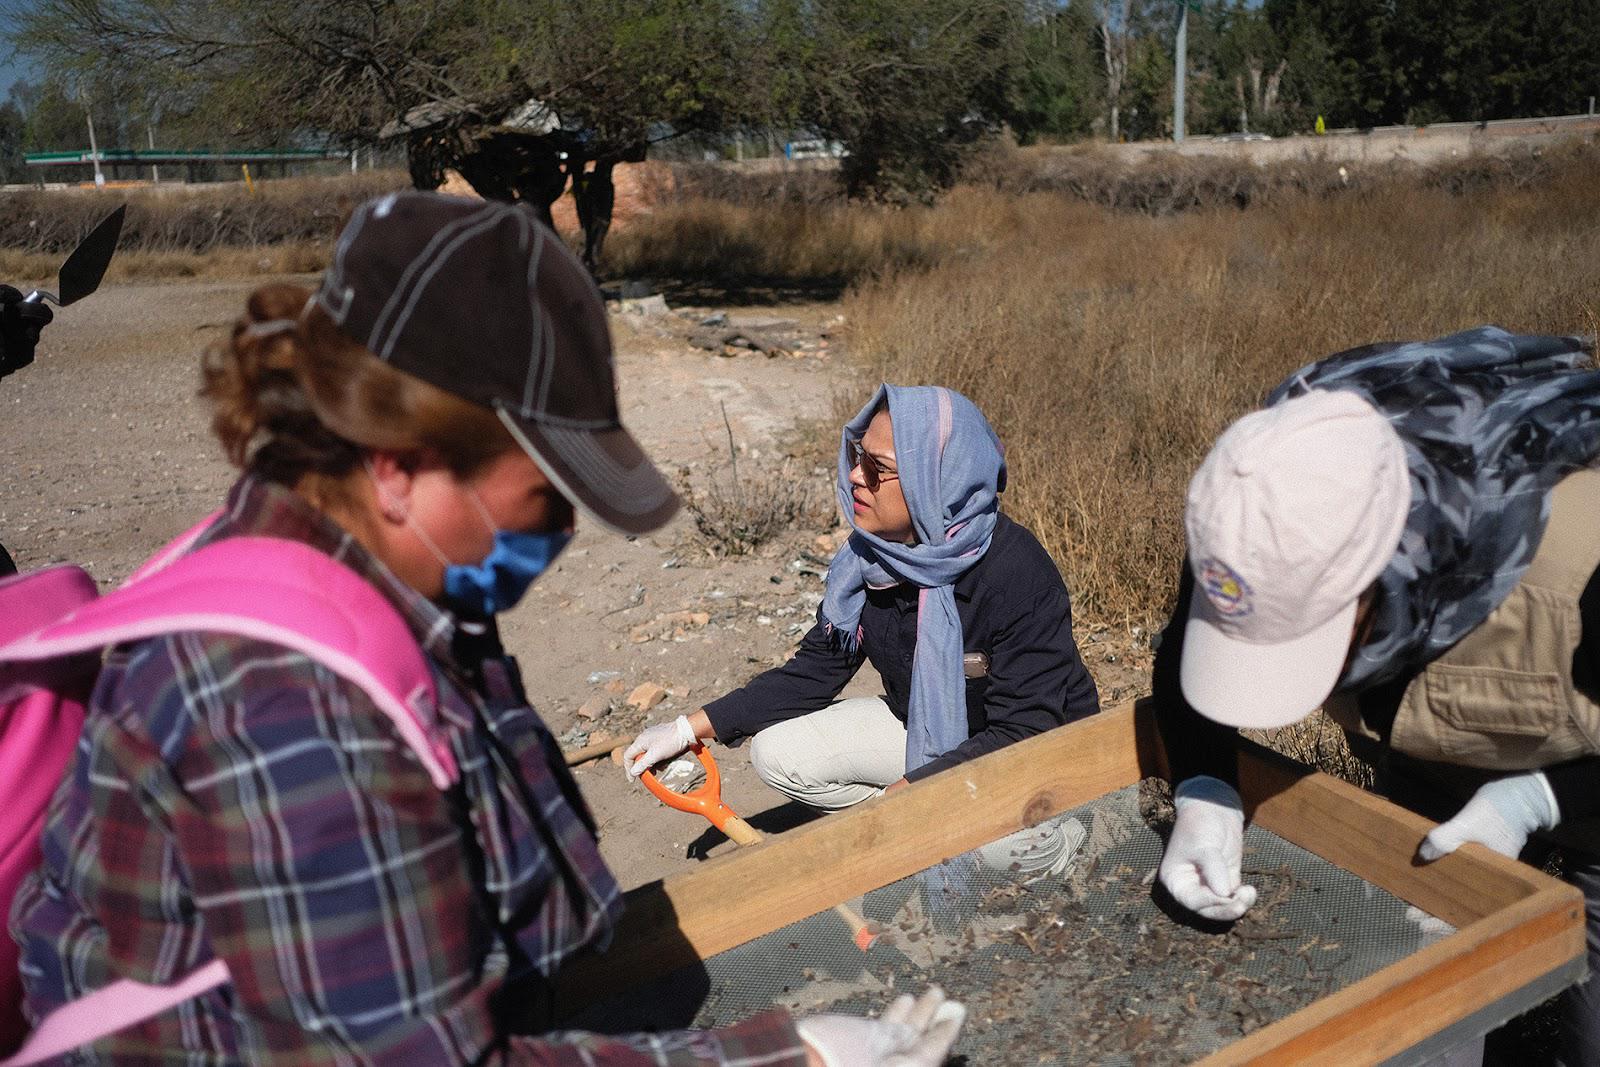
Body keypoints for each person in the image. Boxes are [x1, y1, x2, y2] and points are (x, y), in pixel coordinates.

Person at [9, 192, 963, 1065]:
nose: (557, 531)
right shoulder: (289, 710)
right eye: (542, 490)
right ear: (398, 461)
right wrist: (788, 1055)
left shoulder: (347, 557)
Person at [1152, 327, 1600, 1065]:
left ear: (1383, 574)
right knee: (1421, 1018)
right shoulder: (1269, 500)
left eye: (1311, 641)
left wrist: (1541, 800)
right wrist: (1205, 784)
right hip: (1432, 750)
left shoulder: (1579, 567)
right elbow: (1191, 637)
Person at [626, 384, 1100, 878]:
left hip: (1029, 756)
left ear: (938, 480)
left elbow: (1025, 730)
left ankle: (1063, 847)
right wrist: (686, 729)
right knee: (780, 753)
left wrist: (911, 794)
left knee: (989, 849)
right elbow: (815, 671)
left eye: (879, 468)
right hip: (920, 727)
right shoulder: (868, 560)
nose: (855, 476)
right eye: (857, 456)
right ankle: (916, 844)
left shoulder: (1016, 574)